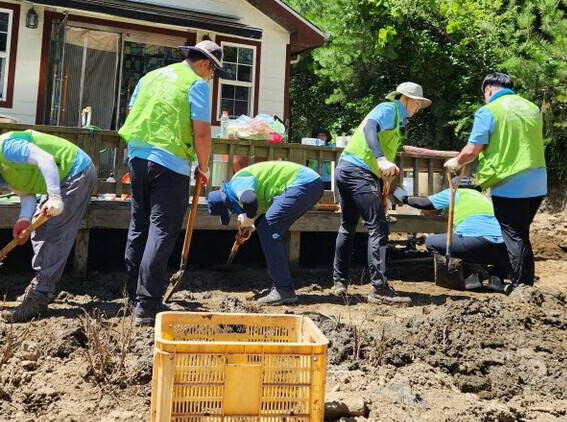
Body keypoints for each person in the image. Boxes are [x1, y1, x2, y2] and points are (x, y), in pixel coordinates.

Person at [118, 39, 222, 326]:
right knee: (161, 231)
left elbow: (133, 110)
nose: (210, 76)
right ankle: (147, 303)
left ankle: (132, 293)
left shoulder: (150, 77)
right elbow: (202, 133)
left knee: (139, 225)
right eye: (212, 71)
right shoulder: (197, 84)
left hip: (137, 159)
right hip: (170, 164)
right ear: (206, 64)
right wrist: (203, 167)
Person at [0, 129, 96, 322]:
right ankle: (41, 286)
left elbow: (46, 160)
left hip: (75, 172)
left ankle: (40, 295)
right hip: (59, 179)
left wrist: (55, 196)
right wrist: (24, 220)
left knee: (55, 233)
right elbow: (26, 194)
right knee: (38, 231)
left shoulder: (7, 148)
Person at [444, 72, 546, 293]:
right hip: (537, 181)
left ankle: (522, 287)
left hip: (510, 183)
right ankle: (524, 284)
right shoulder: (532, 108)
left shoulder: (488, 110)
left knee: (515, 236)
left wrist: (456, 162)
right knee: (520, 234)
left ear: (488, 90)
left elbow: (472, 150)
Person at [332, 81, 431, 304]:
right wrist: (380, 159)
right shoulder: (390, 109)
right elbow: (369, 127)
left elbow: (381, 145)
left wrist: (386, 165)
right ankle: (379, 289)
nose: (418, 109)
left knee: (348, 226)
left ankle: (339, 281)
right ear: (406, 99)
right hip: (359, 171)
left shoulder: (397, 120)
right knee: (379, 226)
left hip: (347, 169)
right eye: (418, 104)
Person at [207, 161, 324, 305]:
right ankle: (283, 288)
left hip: (303, 183)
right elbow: (265, 214)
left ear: (228, 201)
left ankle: (283, 289)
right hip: (308, 184)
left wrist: (249, 218)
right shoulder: (243, 191)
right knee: (265, 227)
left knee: (269, 230)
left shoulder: (237, 183)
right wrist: (252, 227)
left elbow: (249, 200)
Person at [392, 178, 508, 292]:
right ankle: (497, 278)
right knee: (488, 245)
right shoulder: (481, 198)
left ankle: (468, 276)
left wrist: (404, 198)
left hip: (476, 245)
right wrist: (427, 234)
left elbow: (425, 203)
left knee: (432, 243)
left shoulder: (455, 193)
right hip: (504, 249)